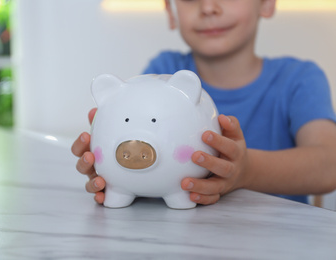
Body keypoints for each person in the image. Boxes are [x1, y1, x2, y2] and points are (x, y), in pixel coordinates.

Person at [71, 0, 336, 206]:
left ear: (266, 3)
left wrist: (246, 171)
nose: (208, 7)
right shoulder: (163, 70)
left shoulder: (298, 80)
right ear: (171, 11)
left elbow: (329, 166)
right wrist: (118, 173)